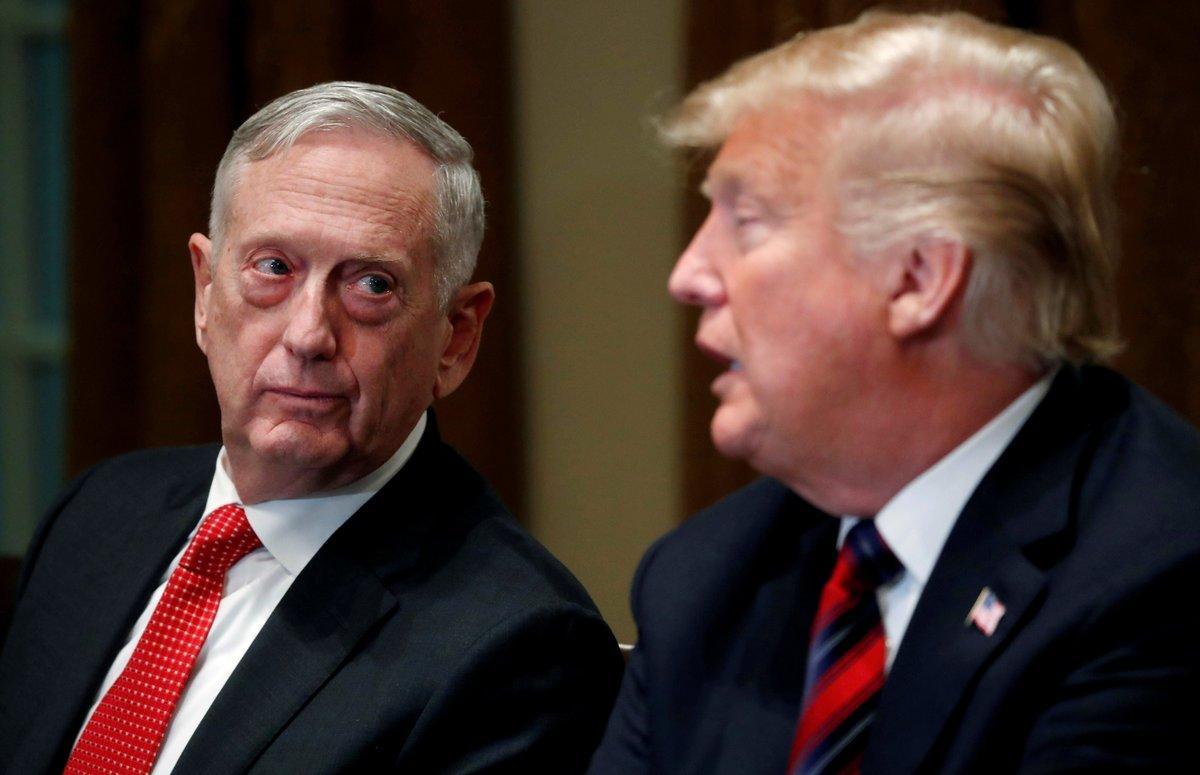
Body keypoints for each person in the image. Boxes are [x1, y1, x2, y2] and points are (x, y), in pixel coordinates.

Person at [590, 10, 1200, 774]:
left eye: (745, 220)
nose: (688, 275)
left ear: (918, 277)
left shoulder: (1162, 576)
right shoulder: (701, 580)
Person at [0, 81, 623, 774]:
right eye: (274, 268)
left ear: (455, 337)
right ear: (205, 292)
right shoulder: (97, 512)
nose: (307, 334)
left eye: (372, 285)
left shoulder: (519, 647)